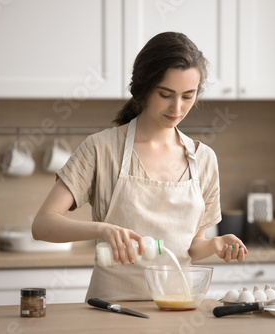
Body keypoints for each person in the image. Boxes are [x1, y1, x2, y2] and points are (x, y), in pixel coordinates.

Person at [32, 32, 247, 301]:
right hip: (111, 311)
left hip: (175, 308)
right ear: (144, 89)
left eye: (188, 96)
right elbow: (42, 225)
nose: (177, 108)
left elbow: (190, 247)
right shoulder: (101, 148)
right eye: (165, 94)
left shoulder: (203, 159)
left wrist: (214, 245)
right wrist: (102, 230)